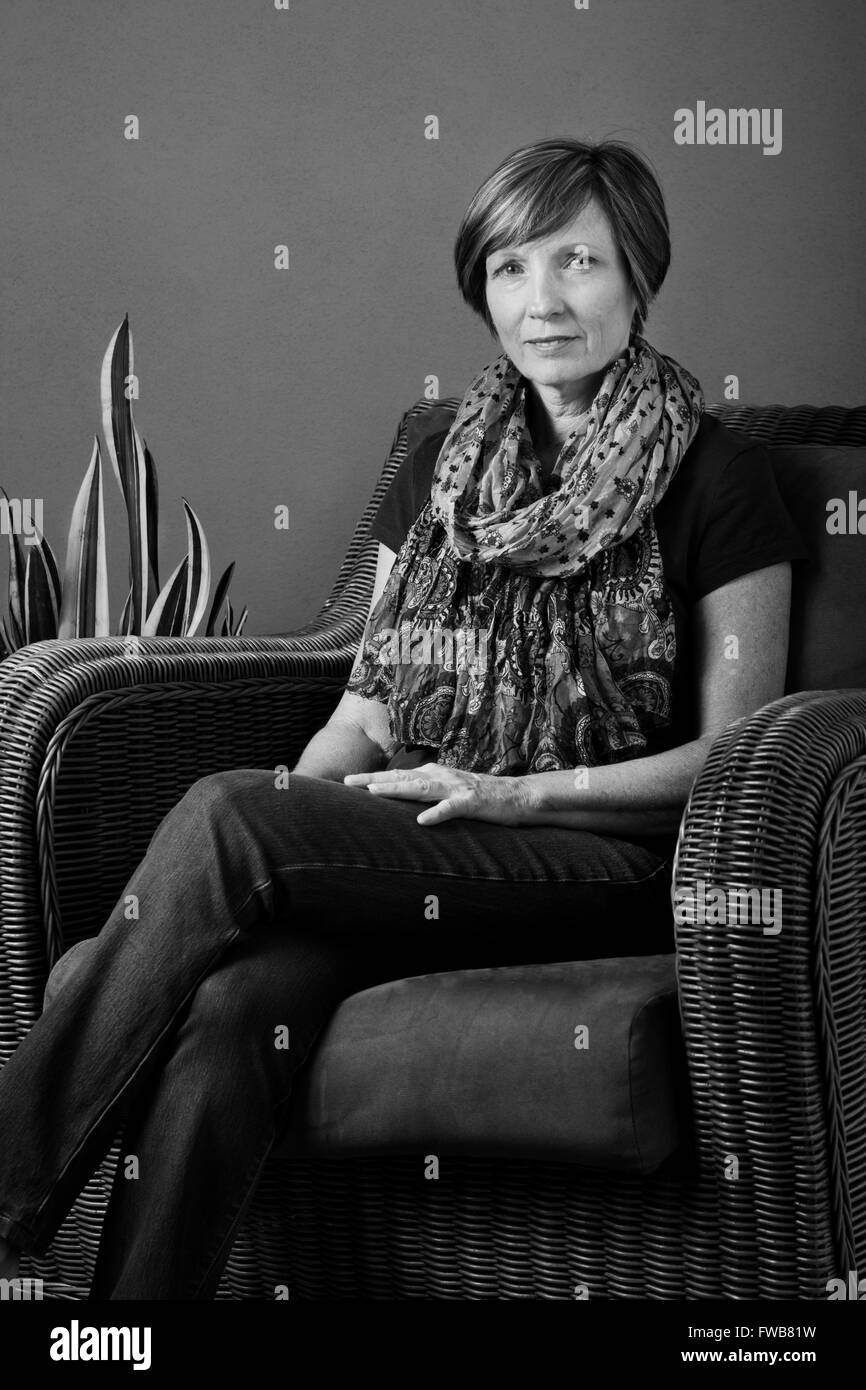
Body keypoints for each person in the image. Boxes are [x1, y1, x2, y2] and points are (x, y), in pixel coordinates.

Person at [0, 137, 809, 1299]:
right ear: (479, 287)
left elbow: (740, 760)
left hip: (601, 858)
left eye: (577, 261)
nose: (542, 301)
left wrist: (511, 792)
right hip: (426, 835)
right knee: (235, 999)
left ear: (638, 274)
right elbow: (369, 701)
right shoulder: (440, 459)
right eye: (511, 268)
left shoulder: (720, 479)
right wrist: (308, 826)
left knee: (231, 816)